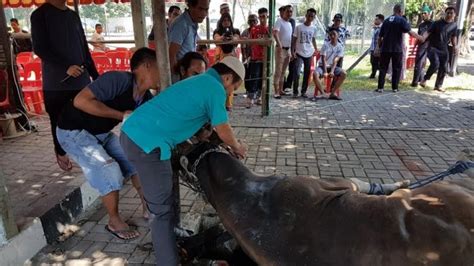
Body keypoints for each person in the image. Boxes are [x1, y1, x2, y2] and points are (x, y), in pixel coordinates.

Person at [120, 56, 248, 266]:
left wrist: (207, 136)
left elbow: (190, 118)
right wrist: (237, 146)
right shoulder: (215, 87)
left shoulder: (198, 82)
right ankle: (168, 261)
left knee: (162, 205)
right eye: (233, 87)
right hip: (146, 143)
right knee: (161, 213)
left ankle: (171, 244)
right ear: (227, 78)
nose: (229, 92)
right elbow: (223, 128)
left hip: (136, 135)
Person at [55, 48, 157, 240]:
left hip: (99, 133)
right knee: (108, 169)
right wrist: (121, 115)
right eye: (161, 67)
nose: (164, 72)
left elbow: (144, 129)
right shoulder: (117, 80)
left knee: (138, 162)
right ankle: (114, 221)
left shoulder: (146, 98)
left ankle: (148, 208)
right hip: (72, 131)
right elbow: (80, 101)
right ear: (147, 66)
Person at [31, 0, 99, 171]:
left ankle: (90, 154)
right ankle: (60, 151)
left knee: (86, 118)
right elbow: (40, 48)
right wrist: (64, 66)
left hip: (81, 80)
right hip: (56, 83)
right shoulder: (40, 15)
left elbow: (84, 47)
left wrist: (95, 75)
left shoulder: (73, 15)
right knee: (58, 119)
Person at [375, 4, 421, 93]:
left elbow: (380, 37)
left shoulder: (387, 20)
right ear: (400, 11)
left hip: (385, 48)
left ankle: (380, 87)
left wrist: (378, 47)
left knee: (383, 68)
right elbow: (411, 33)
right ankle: (394, 88)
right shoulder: (401, 20)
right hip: (397, 49)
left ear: (394, 10)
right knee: (396, 68)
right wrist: (420, 38)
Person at [419, 7, 458, 92]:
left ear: (454, 15)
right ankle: (424, 79)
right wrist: (423, 37)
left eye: (451, 13)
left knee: (444, 68)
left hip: (444, 49)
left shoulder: (454, 25)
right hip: (433, 47)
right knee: (435, 63)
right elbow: (428, 32)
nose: (449, 15)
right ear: (445, 13)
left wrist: (455, 46)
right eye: (448, 13)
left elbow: (453, 36)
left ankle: (438, 85)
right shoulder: (437, 23)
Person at [168, 0, 209, 78]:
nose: (204, 14)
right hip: (181, 76)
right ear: (190, 6)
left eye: (206, 10)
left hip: (187, 73)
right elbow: (171, 55)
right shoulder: (181, 24)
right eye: (200, 9)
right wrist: (178, 78)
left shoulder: (192, 23)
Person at [213, 12, 240, 111]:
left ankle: (228, 104)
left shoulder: (235, 30)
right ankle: (219, 103)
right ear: (221, 22)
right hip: (220, 58)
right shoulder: (217, 31)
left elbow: (237, 39)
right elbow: (216, 39)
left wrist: (232, 38)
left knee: (230, 81)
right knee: (220, 81)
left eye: (228, 20)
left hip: (232, 59)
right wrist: (222, 38)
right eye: (224, 20)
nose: (226, 22)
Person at [291, 8, 318, 98]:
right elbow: (294, 40)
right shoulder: (298, 27)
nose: (310, 17)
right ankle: (295, 92)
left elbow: (313, 39)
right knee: (297, 73)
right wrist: (292, 51)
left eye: (312, 16)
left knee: (307, 73)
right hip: (299, 52)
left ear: (314, 17)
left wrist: (316, 49)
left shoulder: (314, 28)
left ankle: (303, 91)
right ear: (306, 16)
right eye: (309, 15)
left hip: (309, 53)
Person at [313, 29, 346, 101]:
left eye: (334, 35)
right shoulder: (325, 45)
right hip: (323, 66)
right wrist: (325, 72)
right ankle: (322, 93)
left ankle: (332, 93)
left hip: (333, 66)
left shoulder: (340, 47)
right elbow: (323, 58)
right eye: (331, 35)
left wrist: (332, 71)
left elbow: (336, 60)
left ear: (338, 36)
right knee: (315, 74)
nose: (333, 36)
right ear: (329, 36)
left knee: (344, 73)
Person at [246, 7, 269, 108]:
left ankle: (260, 97)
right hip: (256, 58)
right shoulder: (254, 29)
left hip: (266, 58)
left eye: (264, 16)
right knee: (254, 77)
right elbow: (250, 42)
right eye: (261, 17)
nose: (262, 19)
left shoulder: (270, 29)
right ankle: (251, 98)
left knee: (263, 78)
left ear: (267, 16)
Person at [273, 5, 293, 99]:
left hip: (287, 49)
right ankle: (276, 91)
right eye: (287, 11)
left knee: (283, 71)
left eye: (291, 11)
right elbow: (275, 33)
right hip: (280, 49)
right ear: (283, 12)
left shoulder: (289, 24)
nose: (289, 13)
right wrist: (279, 44)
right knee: (278, 70)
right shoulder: (279, 21)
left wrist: (291, 50)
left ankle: (281, 90)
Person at [411, 5, 433, 87]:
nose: (423, 15)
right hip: (421, 46)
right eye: (422, 13)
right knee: (418, 64)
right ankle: (415, 81)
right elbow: (419, 37)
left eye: (425, 13)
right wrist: (414, 47)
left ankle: (424, 79)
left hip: (430, 46)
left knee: (432, 64)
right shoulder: (421, 25)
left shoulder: (433, 24)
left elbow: (424, 37)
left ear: (429, 14)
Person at [369, 14, 384, 79]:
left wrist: (378, 48)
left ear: (380, 20)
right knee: (372, 61)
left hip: (378, 47)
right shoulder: (375, 28)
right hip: (373, 47)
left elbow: (381, 38)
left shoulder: (382, 28)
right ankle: (373, 73)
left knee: (377, 62)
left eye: (376, 19)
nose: (375, 20)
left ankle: (378, 74)